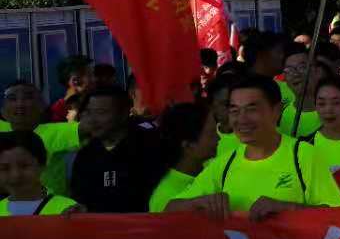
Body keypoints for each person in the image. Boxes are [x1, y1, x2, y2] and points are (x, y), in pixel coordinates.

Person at [167, 74, 340, 218]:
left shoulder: (303, 155)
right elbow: (170, 209)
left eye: (251, 109)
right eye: (234, 110)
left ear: (276, 111)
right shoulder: (224, 164)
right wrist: (199, 203)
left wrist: (287, 208)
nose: (241, 119)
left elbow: (337, 216)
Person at [69, 85, 167, 213]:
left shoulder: (151, 147)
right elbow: (80, 199)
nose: (93, 120)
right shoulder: (85, 156)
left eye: (101, 112)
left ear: (123, 113)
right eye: (89, 112)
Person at [0, 81, 86, 195]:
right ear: (3, 109)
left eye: (28, 98)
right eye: (12, 98)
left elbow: (97, 125)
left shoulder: (58, 131)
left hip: (49, 209)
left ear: (41, 106)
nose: (20, 104)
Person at [148, 102, 220, 213]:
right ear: (188, 145)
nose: (218, 138)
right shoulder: (166, 195)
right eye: (211, 133)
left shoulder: (215, 170)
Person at [0, 133, 81, 215]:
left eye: (24, 166)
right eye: (5, 168)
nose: (15, 175)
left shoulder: (68, 209)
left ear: (42, 165)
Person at [46, 55, 95, 122]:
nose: (95, 79)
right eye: (90, 75)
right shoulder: (58, 110)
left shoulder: (97, 102)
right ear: (75, 81)